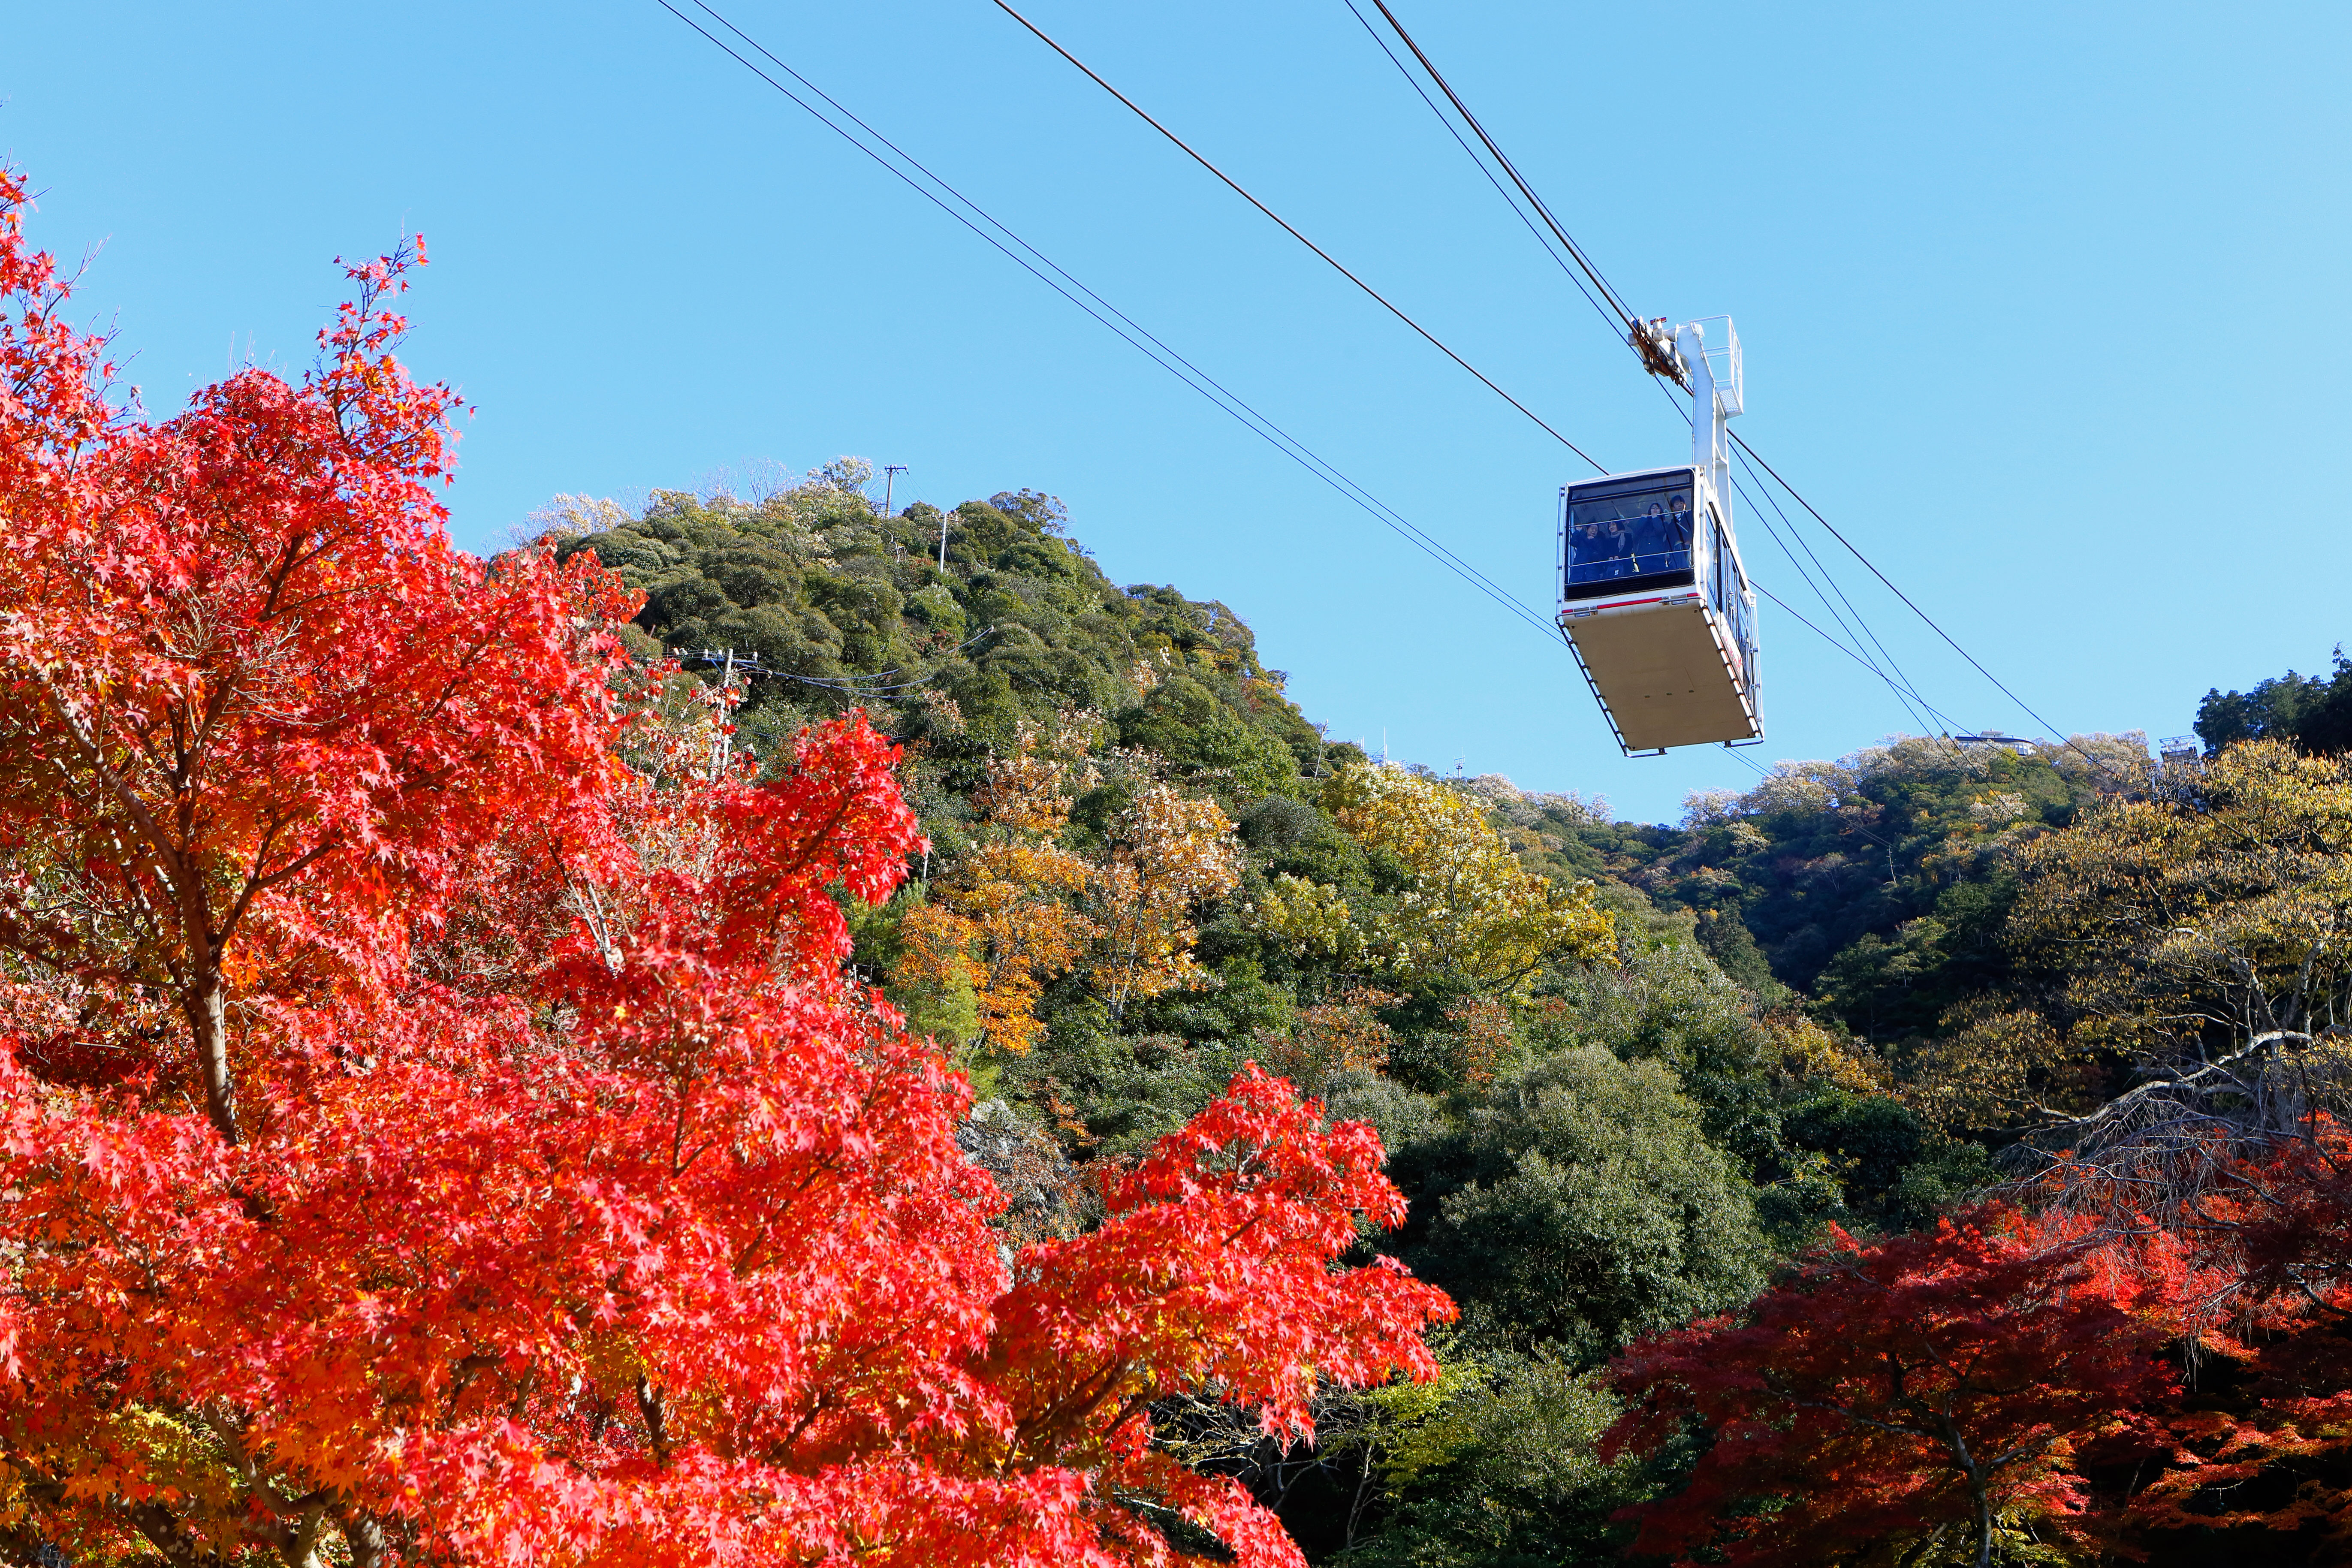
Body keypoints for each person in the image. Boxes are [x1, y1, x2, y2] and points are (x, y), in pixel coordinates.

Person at [1665, 493, 1695, 570]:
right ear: (1673, 507)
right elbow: (1669, 538)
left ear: (1685, 505)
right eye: (1677, 504)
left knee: (1688, 566)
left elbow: (1694, 528)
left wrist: (1690, 541)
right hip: (1677, 548)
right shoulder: (1672, 523)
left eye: (1681, 503)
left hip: (1688, 546)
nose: (1680, 505)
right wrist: (1668, 551)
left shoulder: (1690, 515)